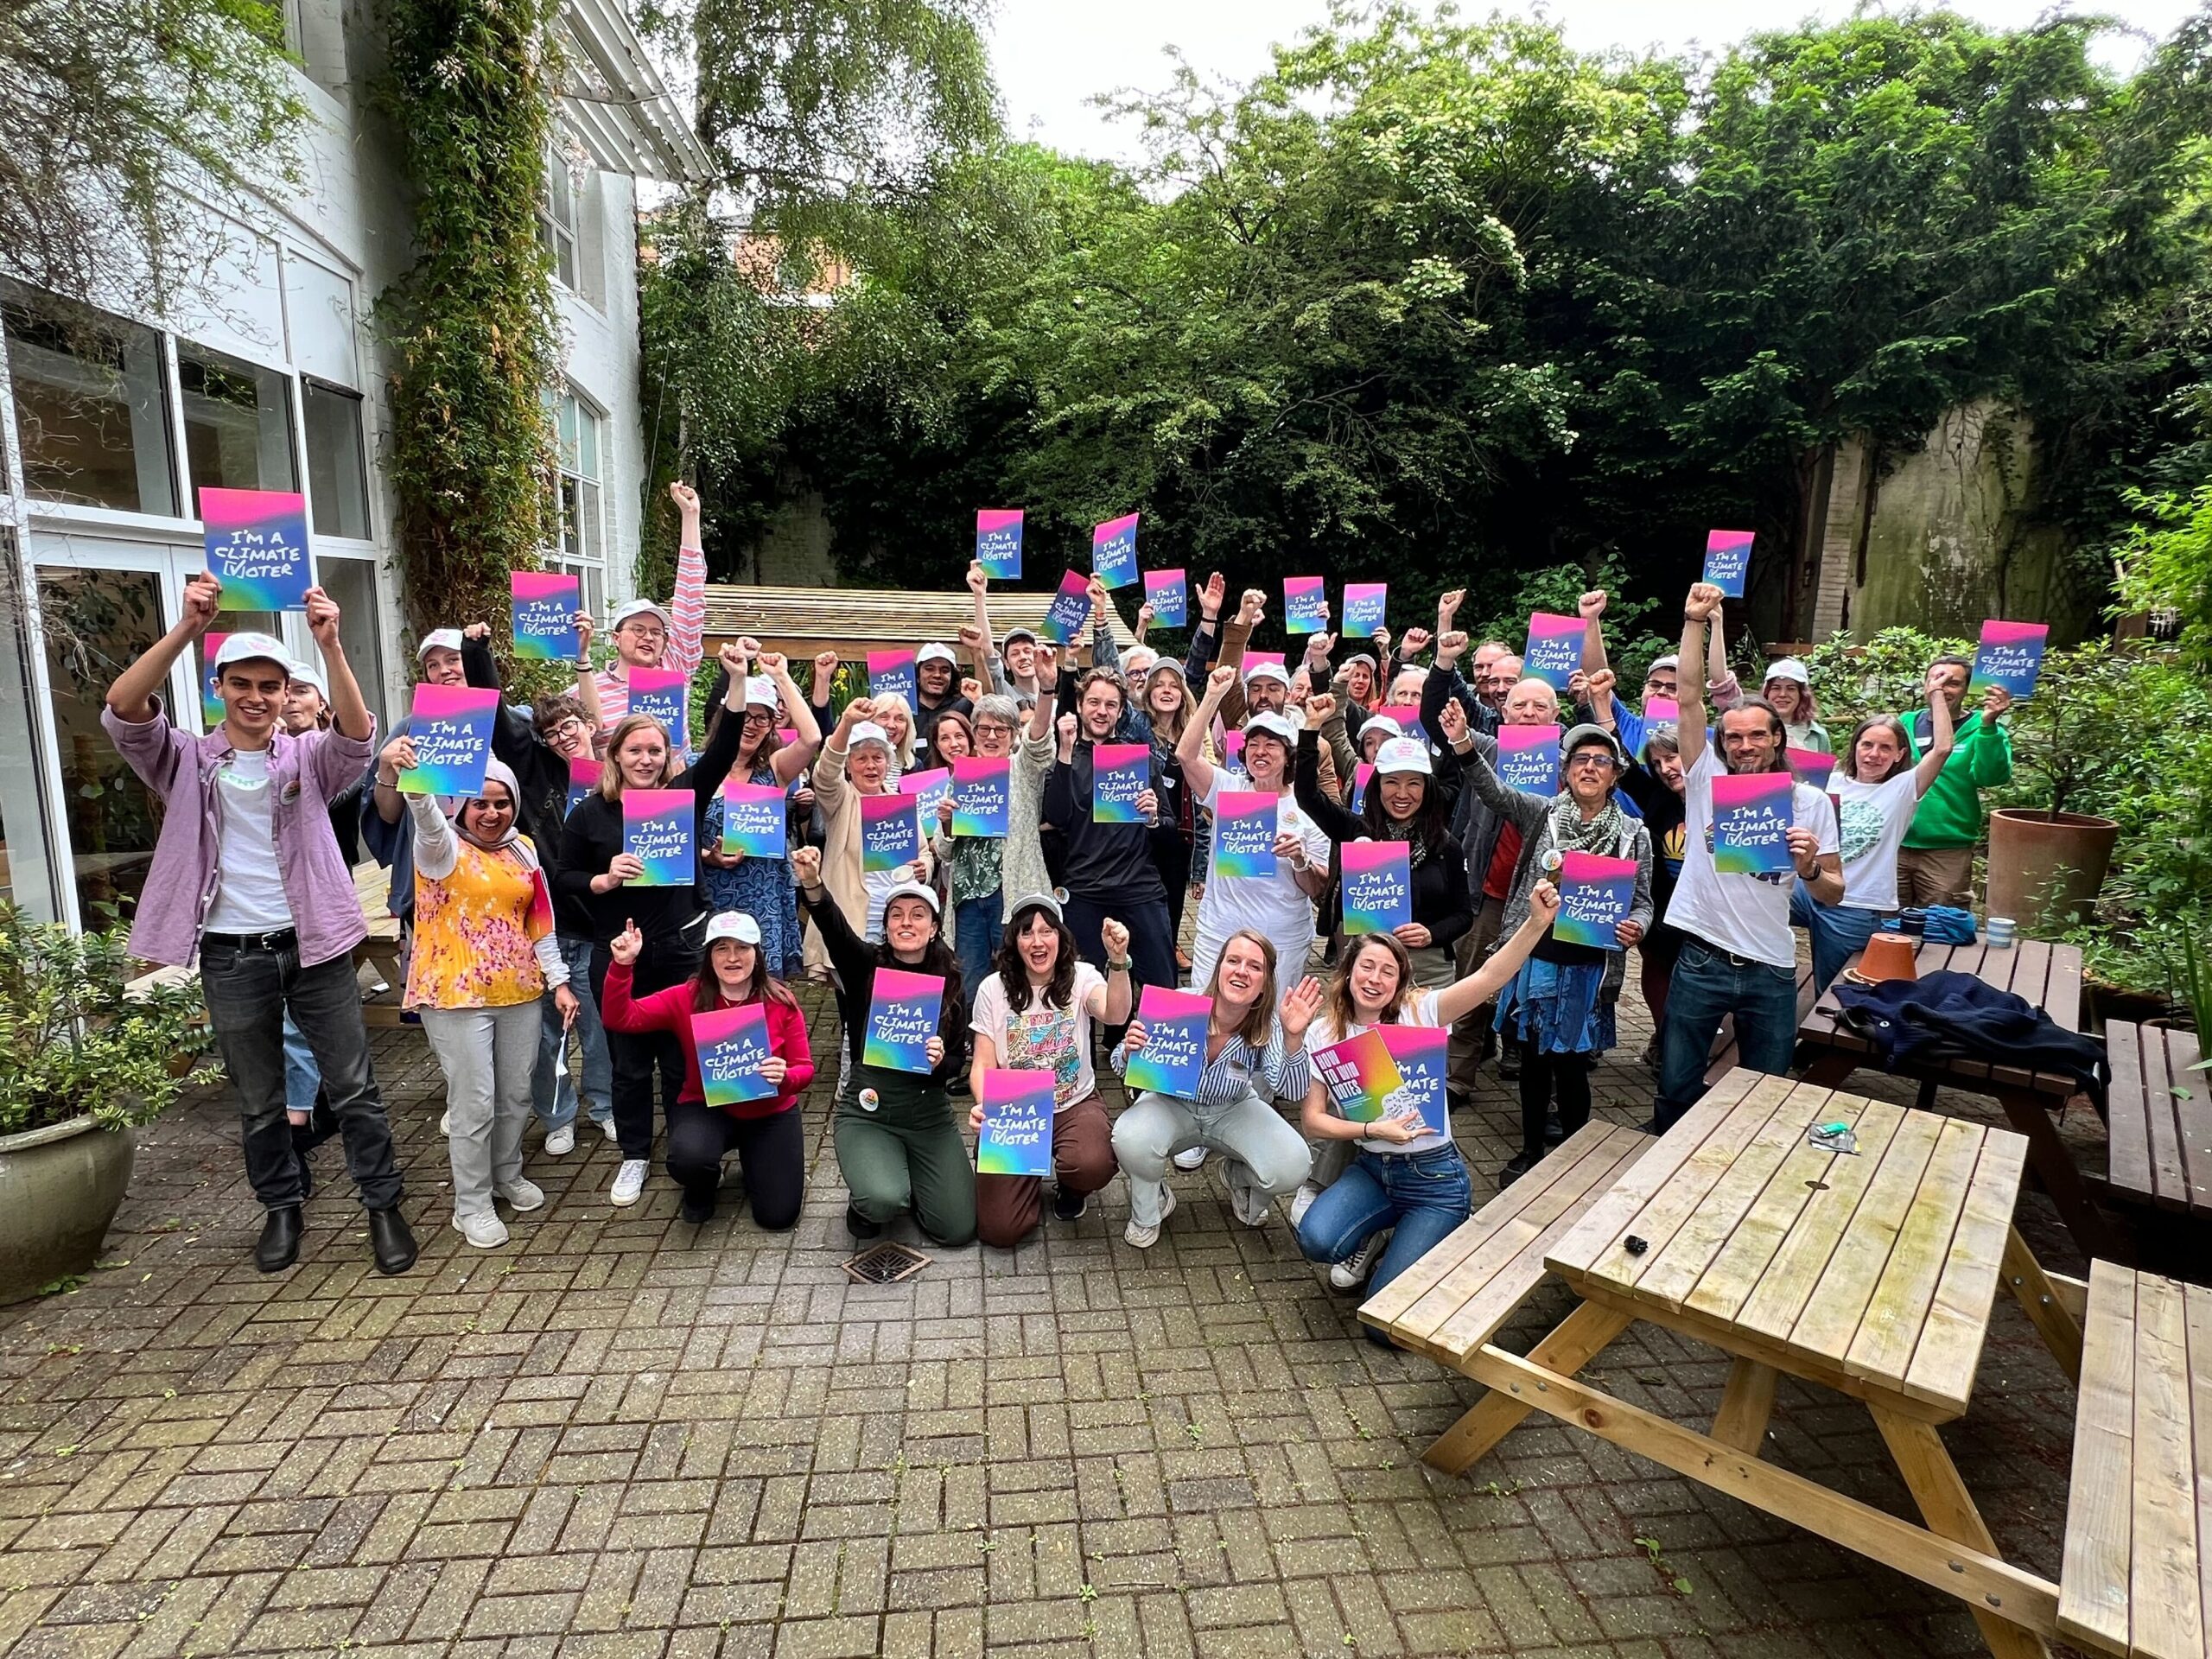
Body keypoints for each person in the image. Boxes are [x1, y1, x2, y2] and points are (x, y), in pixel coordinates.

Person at [101, 585, 416, 1276]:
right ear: (219, 688)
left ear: (284, 694)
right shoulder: (183, 758)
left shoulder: (305, 757)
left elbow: (358, 738)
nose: (256, 696)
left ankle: (383, 1205)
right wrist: (188, 626)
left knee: (355, 1086)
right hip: (231, 953)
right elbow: (124, 709)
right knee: (259, 1098)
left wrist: (331, 644)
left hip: (317, 947)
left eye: (270, 686)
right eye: (241, 683)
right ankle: (281, 1205)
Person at [556, 645, 753, 1206]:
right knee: (627, 1062)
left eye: (656, 751)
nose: (646, 759)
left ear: (667, 758)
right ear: (614, 756)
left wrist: (735, 680)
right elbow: (564, 875)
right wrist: (601, 880)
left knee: (682, 1055)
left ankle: (688, 1152)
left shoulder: (682, 796)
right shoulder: (589, 814)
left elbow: (723, 748)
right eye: (635, 750)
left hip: (681, 945)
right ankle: (635, 1155)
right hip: (616, 951)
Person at [1294, 897, 1557, 1304]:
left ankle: (1436, 1232)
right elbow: (1312, 1121)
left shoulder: (1422, 1012)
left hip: (1434, 1180)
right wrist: (1370, 1129)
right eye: (1367, 966)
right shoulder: (1325, 1032)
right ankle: (1381, 1234)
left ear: (1399, 983)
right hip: (1373, 1169)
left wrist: (1536, 923)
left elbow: (1489, 977)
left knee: (1384, 1325)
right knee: (1315, 1240)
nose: (1375, 979)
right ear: (1348, 972)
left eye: (1388, 971)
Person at [1653, 583, 1843, 1133]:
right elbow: (1687, 698)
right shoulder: (1706, 783)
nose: (1745, 746)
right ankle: (1664, 1161)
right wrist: (1693, 622)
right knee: (1676, 1083)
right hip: (1703, 959)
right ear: (1722, 744)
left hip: (1772, 967)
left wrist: (1809, 868)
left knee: (1767, 1091)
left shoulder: (1808, 804)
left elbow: (1835, 890)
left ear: (1777, 739)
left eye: (1757, 735)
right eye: (1734, 738)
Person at [1452, 723, 1654, 1185]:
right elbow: (1494, 791)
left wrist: (1635, 927)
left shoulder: (1631, 834)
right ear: (1565, 771)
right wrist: (1464, 744)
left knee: (1574, 1069)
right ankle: (1529, 1152)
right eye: (1580, 760)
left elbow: (1643, 902)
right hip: (1535, 960)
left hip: (1587, 968)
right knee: (1532, 1063)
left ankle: (1574, 1158)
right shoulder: (1541, 814)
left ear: (1615, 775)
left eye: (1601, 761)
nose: (1590, 768)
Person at [396, 757, 578, 1247]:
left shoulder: (523, 848)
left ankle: (507, 1174)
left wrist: (559, 980)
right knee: (474, 1102)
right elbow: (427, 820)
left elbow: (540, 918)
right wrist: (417, 788)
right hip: (455, 993)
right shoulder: (442, 848)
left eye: (502, 803)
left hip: (519, 990)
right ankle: (470, 1204)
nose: (492, 813)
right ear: (462, 805)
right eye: (481, 803)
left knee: (515, 1094)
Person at [793, 846, 976, 1244]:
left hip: (928, 1114)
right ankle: (869, 1194)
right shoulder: (865, 967)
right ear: (887, 926)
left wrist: (942, 1060)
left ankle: (905, 1170)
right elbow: (834, 928)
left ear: (933, 927)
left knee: (957, 1229)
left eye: (917, 915)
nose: (906, 923)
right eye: (897, 915)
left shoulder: (952, 984)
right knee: (883, 1200)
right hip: (869, 1109)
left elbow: (957, 1064)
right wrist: (812, 882)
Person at [599, 910, 813, 1227]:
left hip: (770, 1111)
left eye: (742, 947)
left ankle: (756, 1162)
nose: (732, 958)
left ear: (758, 953)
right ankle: (703, 1184)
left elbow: (805, 1068)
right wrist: (622, 965)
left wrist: (785, 1077)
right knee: (688, 1159)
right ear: (708, 956)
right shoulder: (687, 996)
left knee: (778, 1217)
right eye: (721, 948)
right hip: (708, 1106)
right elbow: (621, 1018)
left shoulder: (781, 1000)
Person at [1110, 932, 1323, 1245]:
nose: (1241, 971)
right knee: (1130, 1138)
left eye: (1255, 966)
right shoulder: (1181, 1003)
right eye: (1233, 961)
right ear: (1219, 967)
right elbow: (1121, 1066)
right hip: (1171, 1102)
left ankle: (1237, 1178)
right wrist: (1130, 1050)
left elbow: (1290, 1089)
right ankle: (1150, 1207)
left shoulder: (1269, 1024)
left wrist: (1294, 1040)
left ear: (1265, 983)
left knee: (1293, 1165)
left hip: (1232, 1107)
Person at [1424, 633, 1563, 1096]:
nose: (1527, 713)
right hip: (1488, 890)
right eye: (1519, 705)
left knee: (1534, 983)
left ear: (1556, 716)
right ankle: (1456, 1077)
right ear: (1504, 712)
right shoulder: (1486, 748)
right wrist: (1444, 663)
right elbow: (1434, 721)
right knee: (1472, 983)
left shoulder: (1571, 764)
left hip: (1543, 896)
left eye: (1538, 707)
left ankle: (1523, 1059)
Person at [964, 897, 1134, 1241]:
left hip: (1074, 1102)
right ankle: (1020, 1176)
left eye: (1047, 931)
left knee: (1092, 1162)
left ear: (1061, 936)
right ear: (1015, 941)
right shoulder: (992, 989)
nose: (1038, 941)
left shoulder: (1081, 976)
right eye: (1027, 933)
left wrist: (1118, 962)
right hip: (1016, 1112)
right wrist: (986, 1104)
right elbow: (982, 1060)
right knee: (1000, 1231)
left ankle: (1071, 1189)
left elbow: (1116, 1014)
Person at [1177, 666, 1332, 995]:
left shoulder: (1309, 808)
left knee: (1273, 1025)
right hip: (1220, 932)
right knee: (1210, 1017)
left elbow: (1319, 889)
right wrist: (1212, 696)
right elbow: (1185, 755)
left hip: (1281, 938)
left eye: (1271, 745)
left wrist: (1301, 859)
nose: (1260, 752)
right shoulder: (1228, 789)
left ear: (1289, 755)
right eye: (1254, 744)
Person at [1794, 687, 1956, 991]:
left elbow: (1943, 748)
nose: (1874, 754)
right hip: (1806, 887)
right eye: (1867, 744)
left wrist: (1935, 695)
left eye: (1885, 747)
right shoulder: (1829, 780)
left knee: (1835, 990)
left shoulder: (1904, 788)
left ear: (1900, 754)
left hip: (1856, 903)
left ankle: (1826, 1038)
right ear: (1854, 747)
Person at [1294, 716, 1471, 987]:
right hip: (1368, 968)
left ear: (1427, 788)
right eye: (1392, 782)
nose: (1402, 793)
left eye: (1414, 783)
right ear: (1377, 786)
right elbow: (1307, 796)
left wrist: (1431, 934)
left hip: (1429, 972)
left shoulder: (1446, 846)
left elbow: (1463, 915)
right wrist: (1310, 731)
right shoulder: (1356, 829)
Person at [1040, 665, 1179, 1000]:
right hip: (1084, 888)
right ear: (1080, 703)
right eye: (1094, 702)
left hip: (1138, 886)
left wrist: (1153, 818)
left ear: (1120, 711)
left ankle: (1144, 1049)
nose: (1102, 711)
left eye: (1111, 705)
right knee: (1078, 990)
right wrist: (1065, 752)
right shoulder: (1064, 756)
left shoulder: (1139, 758)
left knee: (1162, 986)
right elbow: (1055, 817)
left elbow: (1171, 828)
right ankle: (1100, 1047)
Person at [698, 656, 822, 978]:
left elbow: (811, 738)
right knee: (714, 988)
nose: (751, 724)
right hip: (711, 896)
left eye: (762, 718)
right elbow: (677, 837)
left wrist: (781, 676)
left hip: (762, 899)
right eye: (745, 715)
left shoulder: (775, 770)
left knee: (763, 989)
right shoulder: (696, 768)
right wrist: (706, 857)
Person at [1588, 672, 1689, 1058]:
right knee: (1658, 967)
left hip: (1702, 911)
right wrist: (1600, 701)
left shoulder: (1717, 797)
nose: (1666, 768)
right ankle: (1665, 1039)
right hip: (1662, 906)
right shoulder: (1656, 797)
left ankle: (1687, 1045)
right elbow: (1622, 759)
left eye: (1673, 757)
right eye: (1659, 762)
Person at [1891, 656, 2014, 910]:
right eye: (1936, 680)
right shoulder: (1906, 724)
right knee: (1886, 924)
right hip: (1895, 843)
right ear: (1925, 684)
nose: (1942, 688)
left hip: (1947, 849)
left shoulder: (1982, 727)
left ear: (1967, 689)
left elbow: (1992, 777)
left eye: (1953, 683)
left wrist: (1989, 725)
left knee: (1941, 927)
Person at [592, 481, 707, 733]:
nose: (649, 637)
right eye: (639, 629)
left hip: (675, 772)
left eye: (657, 632)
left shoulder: (675, 667)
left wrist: (690, 515)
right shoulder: (590, 689)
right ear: (616, 637)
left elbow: (690, 597)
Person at [931, 694, 1026, 992]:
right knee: (970, 982)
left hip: (1007, 895)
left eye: (1002, 729)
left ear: (1013, 734)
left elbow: (1039, 746)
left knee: (1016, 977)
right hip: (968, 898)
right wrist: (946, 821)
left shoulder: (1022, 771)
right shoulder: (961, 777)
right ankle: (974, 1039)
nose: (992, 736)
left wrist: (1048, 688)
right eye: (984, 729)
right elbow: (943, 851)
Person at [1760, 659, 1830, 753]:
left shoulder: (1818, 735)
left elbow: (1823, 767)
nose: (1782, 694)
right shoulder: (1751, 729)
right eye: (1776, 688)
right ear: (1767, 693)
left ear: (1802, 695)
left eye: (1791, 689)